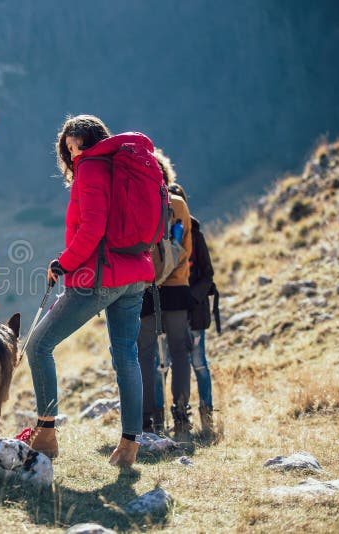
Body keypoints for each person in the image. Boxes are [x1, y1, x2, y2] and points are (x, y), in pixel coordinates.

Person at [24, 115, 156, 467]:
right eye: (67, 149)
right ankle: (129, 445)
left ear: (85, 141)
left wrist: (63, 264)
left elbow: (93, 227)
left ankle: (47, 434)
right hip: (135, 273)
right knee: (126, 357)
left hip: (100, 276)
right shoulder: (124, 166)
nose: (71, 154)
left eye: (72, 146)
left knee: (38, 346)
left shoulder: (91, 169)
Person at [137, 149, 196, 436]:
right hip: (176, 287)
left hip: (144, 287)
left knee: (144, 354)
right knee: (179, 352)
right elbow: (186, 249)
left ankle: (148, 418)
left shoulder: (137, 203)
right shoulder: (178, 205)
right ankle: (181, 414)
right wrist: (171, 271)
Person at [168, 182, 216, 433]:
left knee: (199, 363)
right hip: (173, 311)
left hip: (194, 312)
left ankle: (207, 414)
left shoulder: (195, 234)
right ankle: (175, 417)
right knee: (167, 365)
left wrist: (190, 297)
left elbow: (208, 274)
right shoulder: (165, 237)